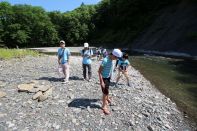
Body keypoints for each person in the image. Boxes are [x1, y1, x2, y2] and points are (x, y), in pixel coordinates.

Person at [98, 49, 122, 115]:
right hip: (103, 78)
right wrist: (101, 82)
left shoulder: (111, 59)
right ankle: (104, 106)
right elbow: (99, 72)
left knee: (107, 89)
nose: (116, 59)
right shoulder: (105, 60)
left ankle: (107, 98)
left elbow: (110, 68)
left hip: (108, 77)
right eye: (116, 57)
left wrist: (110, 76)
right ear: (113, 55)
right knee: (105, 92)